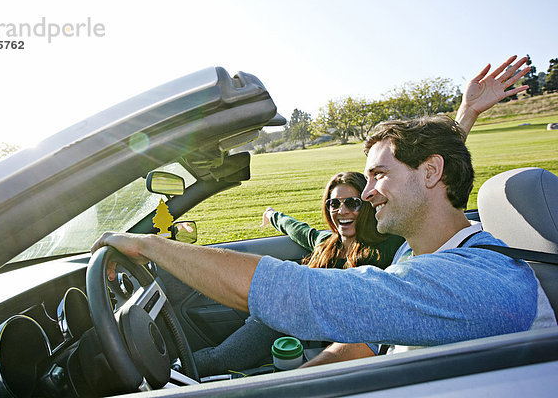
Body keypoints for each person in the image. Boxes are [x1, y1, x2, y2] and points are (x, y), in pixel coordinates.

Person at [91, 55, 555, 367]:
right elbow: (363, 344)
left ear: (433, 172)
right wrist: (290, 383)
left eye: (377, 176)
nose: (368, 192)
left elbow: (300, 294)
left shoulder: (479, 281)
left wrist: (151, 246)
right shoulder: (416, 258)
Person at [193, 172, 405, 376]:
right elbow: (297, 229)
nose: (341, 211)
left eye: (352, 203)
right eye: (334, 204)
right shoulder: (325, 242)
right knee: (218, 360)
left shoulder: (385, 247)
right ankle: (176, 371)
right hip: (283, 320)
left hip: (338, 341)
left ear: (366, 207)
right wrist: (272, 215)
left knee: (219, 360)